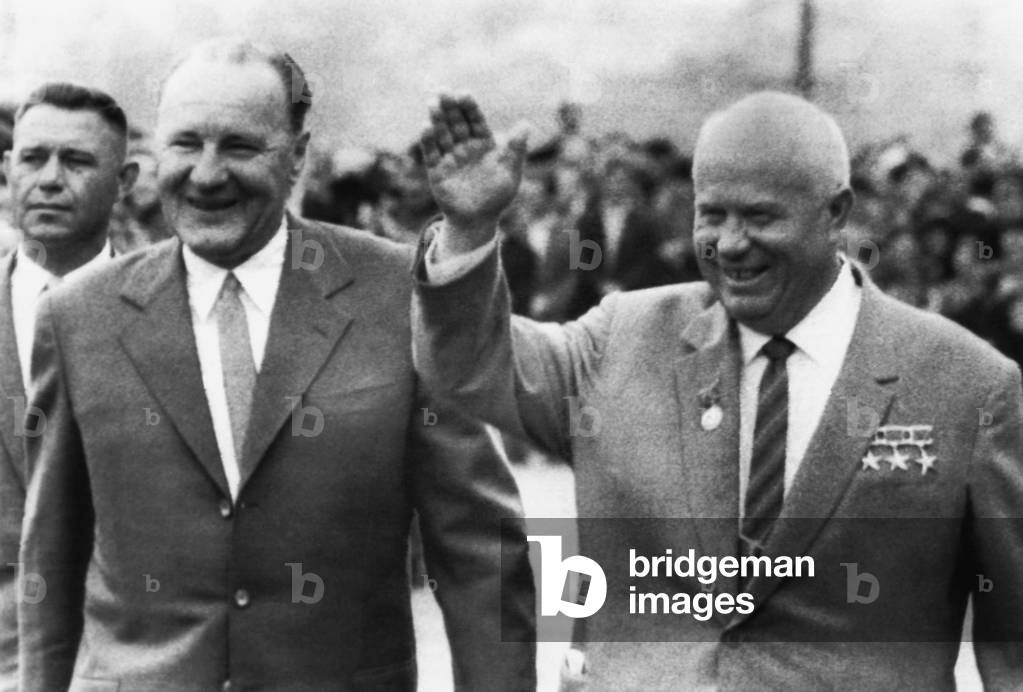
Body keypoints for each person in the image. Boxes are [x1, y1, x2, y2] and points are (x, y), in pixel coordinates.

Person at [412, 91, 1023, 690]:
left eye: (760, 217)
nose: (730, 243)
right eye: (713, 215)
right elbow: (472, 365)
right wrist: (469, 231)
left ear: (836, 212)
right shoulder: (620, 340)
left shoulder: (968, 386)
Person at [18, 41, 535, 690]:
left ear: (297, 156)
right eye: (185, 145)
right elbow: (51, 560)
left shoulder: (398, 295)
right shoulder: (77, 318)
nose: (206, 175)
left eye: (238, 146)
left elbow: (480, 552)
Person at [0, 82, 137, 691]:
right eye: (32, 158)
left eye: (77, 161)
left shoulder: (181, 311)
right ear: (7, 170)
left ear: (125, 180)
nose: (50, 179)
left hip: (132, 655)